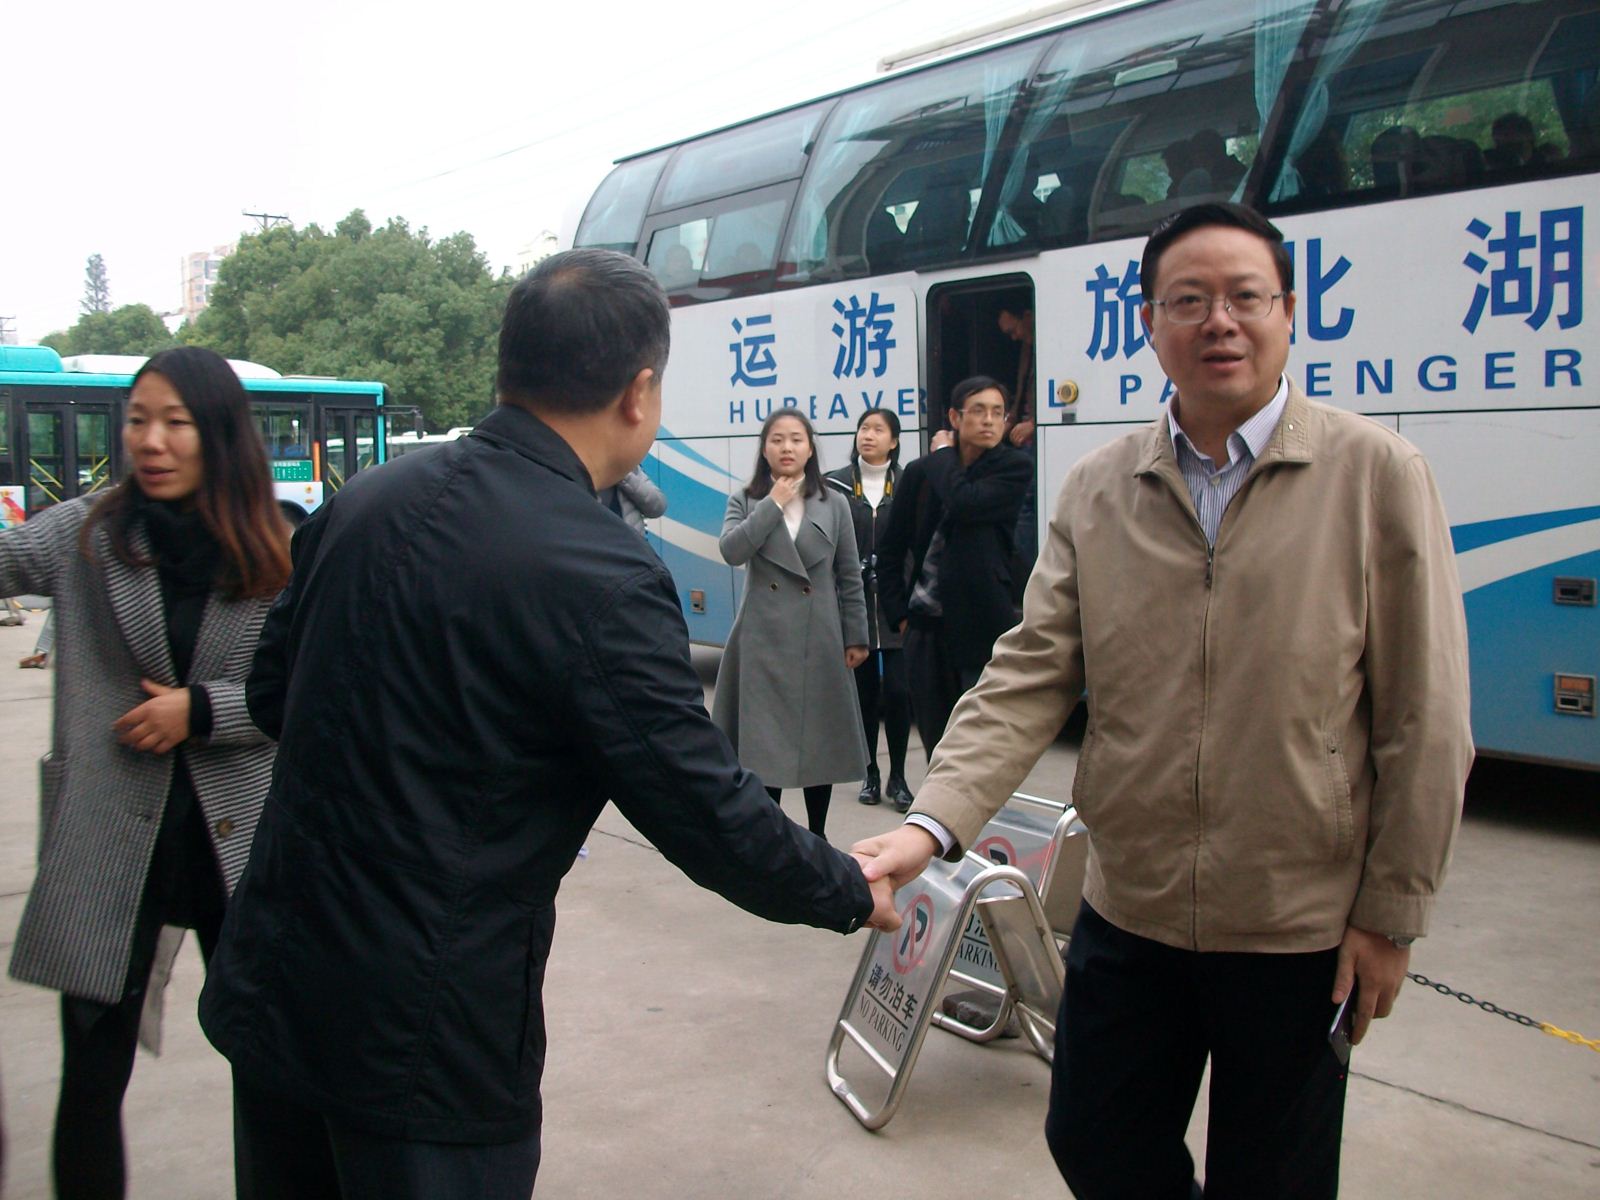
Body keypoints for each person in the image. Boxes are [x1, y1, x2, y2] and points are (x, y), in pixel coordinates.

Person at [198, 250, 898, 1199]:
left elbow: (272, 695)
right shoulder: (602, 573)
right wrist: (847, 887)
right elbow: (699, 805)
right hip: (427, 1036)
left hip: (276, 994)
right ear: (638, 394)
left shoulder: (364, 501)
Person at [853, 203, 1473, 1199]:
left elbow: (1424, 716)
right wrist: (931, 824)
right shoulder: (1102, 486)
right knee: (1093, 1140)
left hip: (1295, 928)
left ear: (1289, 312)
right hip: (1130, 908)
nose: (1218, 320)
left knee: (1272, 1182)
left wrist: (1389, 917)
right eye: (1189, 300)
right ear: (1148, 323)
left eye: (1245, 297)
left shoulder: (1376, 475)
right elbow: (1029, 671)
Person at [2, 346, 290, 1199]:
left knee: (273, 1074)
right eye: (137, 421)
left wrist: (201, 711)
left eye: (176, 423)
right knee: (92, 1073)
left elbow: (314, 687)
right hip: (107, 848)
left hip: (239, 846)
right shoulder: (87, 534)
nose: (151, 441)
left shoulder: (279, 546)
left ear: (221, 435)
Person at [713, 408, 870, 838]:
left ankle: (818, 835)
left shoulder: (835, 502)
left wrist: (857, 635)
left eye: (797, 439)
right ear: (764, 449)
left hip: (820, 637)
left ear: (810, 448)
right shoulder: (745, 499)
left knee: (820, 742)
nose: (787, 447)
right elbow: (731, 551)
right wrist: (773, 504)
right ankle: (772, 836)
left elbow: (849, 573)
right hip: (761, 639)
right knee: (765, 748)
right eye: (778, 439)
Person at [875, 376, 1031, 759]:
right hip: (925, 629)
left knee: (981, 746)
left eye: (998, 413)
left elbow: (965, 502)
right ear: (955, 417)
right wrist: (900, 616)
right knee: (937, 743)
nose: (989, 420)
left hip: (984, 627)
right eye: (978, 411)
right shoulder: (920, 472)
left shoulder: (1013, 467)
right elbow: (891, 548)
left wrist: (944, 453)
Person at [825, 408, 914, 812]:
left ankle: (899, 777)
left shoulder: (908, 484)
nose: (869, 435)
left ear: (893, 441)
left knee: (898, 692)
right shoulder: (835, 484)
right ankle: (869, 773)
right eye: (864, 428)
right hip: (854, 602)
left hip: (897, 604)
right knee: (864, 695)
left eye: (878, 430)